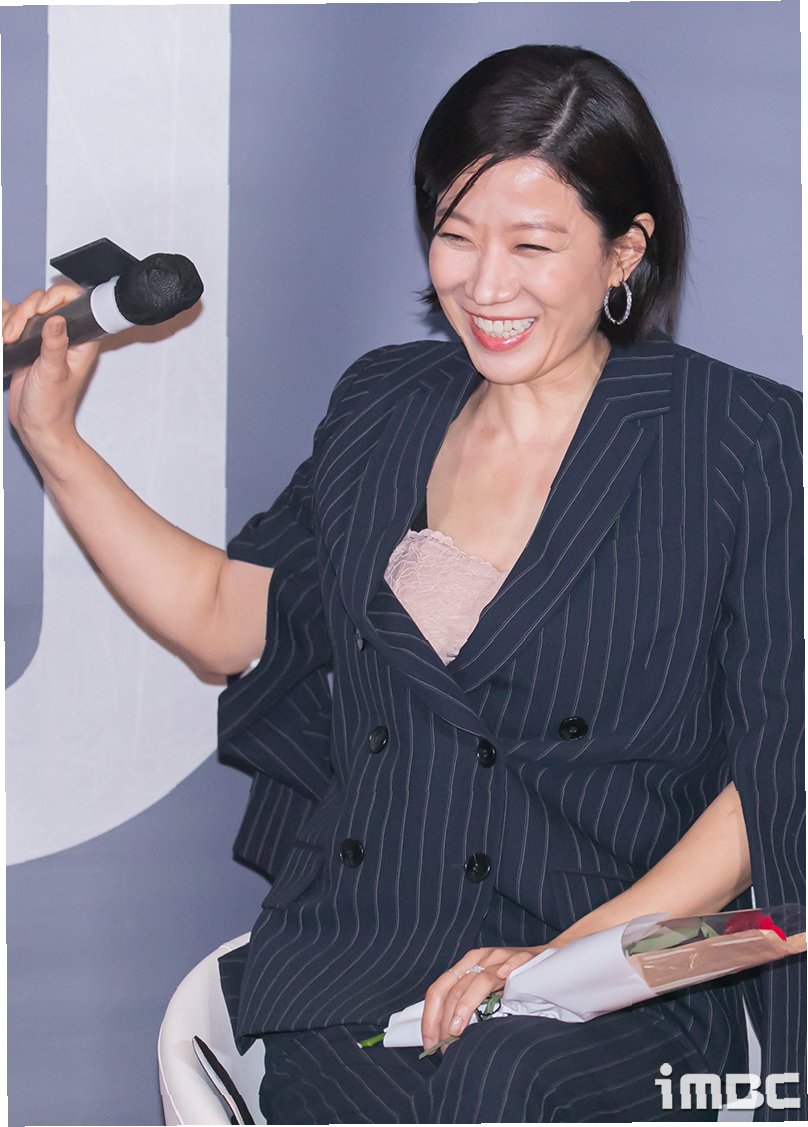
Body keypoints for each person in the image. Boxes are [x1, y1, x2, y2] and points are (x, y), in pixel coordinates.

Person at [5, 43, 803, 1124]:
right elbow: (225, 620)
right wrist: (54, 439)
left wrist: (560, 963)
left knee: (506, 1079)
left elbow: (777, 773)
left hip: (621, 969)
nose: (484, 285)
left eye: (532, 245)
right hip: (369, 959)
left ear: (625, 250)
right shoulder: (383, 403)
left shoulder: (742, 438)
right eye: (455, 235)